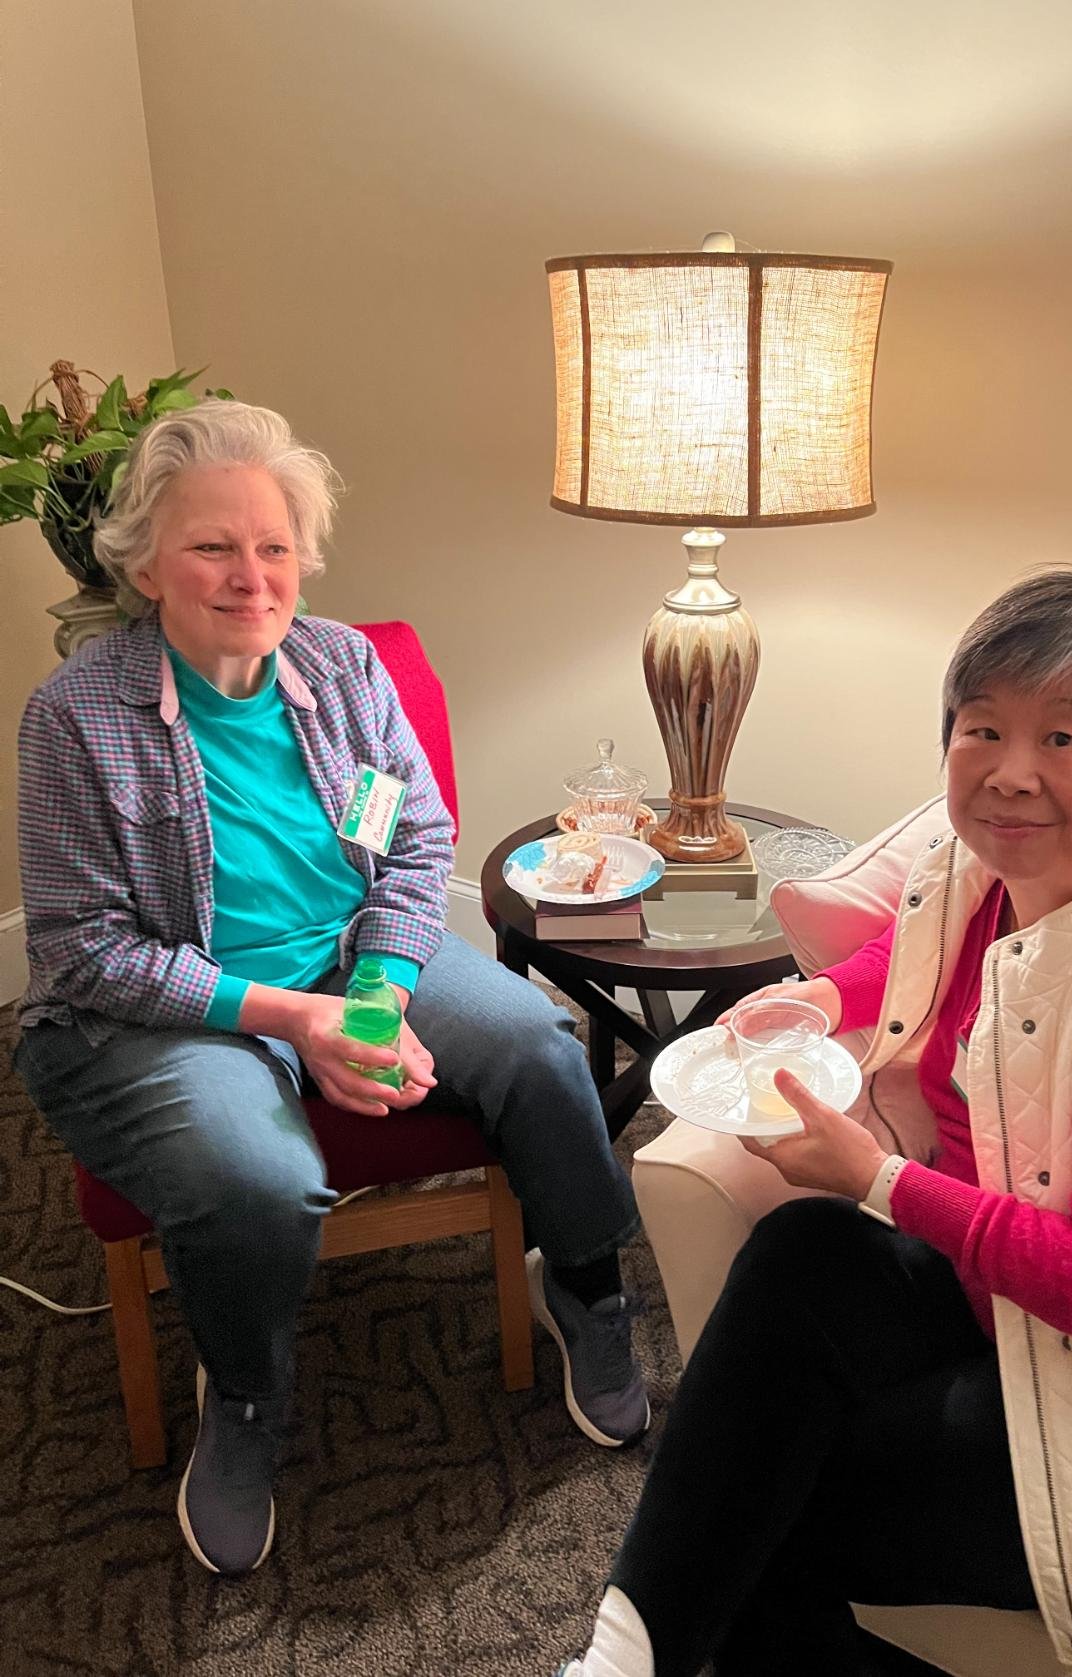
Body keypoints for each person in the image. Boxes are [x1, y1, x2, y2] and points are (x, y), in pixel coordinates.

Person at [559, 570, 1072, 1677]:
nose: (1011, 770)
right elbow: (920, 951)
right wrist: (818, 997)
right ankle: (618, 1662)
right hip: (1004, 1307)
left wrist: (879, 1179)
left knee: (758, 1511)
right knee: (803, 1254)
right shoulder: (984, 872)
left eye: (1063, 737)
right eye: (983, 727)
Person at [14, 399, 648, 1579]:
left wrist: (373, 996)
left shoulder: (343, 667)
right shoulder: (74, 717)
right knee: (255, 1179)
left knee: (539, 1046)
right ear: (145, 565)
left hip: (350, 956)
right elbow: (84, 947)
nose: (250, 576)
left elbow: (413, 838)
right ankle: (245, 1392)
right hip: (174, 1005)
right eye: (211, 546)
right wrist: (293, 1021)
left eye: (274, 545)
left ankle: (586, 1287)